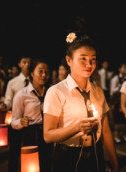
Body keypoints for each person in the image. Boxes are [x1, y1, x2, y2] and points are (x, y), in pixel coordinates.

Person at [43, 31, 119, 172]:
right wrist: (76, 128)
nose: (89, 64)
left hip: (96, 153)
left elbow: (106, 131)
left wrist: (115, 162)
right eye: (83, 59)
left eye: (93, 59)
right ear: (69, 60)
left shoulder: (98, 91)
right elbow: (48, 135)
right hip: (67, 156)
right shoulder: (56, 92)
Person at [11, 58, 53, 172]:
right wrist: (21, 122)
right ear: (31, 73)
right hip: (30, 135)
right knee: (31, 167)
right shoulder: (22, 95)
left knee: (47, 165)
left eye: (47, 72)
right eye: (40, 71)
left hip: (48, 134)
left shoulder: (51, 93)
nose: (44, 75)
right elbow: (13, 122)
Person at [0, 56, 31, 172]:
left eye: (29, 62)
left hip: (31, 120)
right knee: (14, 149)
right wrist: (5, 105)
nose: (27, 64)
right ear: (19, 64)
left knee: (29, 149)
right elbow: (8, 100)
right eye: (24, 62)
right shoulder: (13, 82)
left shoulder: (35, 80)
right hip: (17, 118)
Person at [110, 63, 126, 144]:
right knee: (117, 119)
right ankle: (116, 135)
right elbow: (112, 91)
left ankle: (123, 134)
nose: (125, 69)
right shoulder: (115, 78)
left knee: (124, 118)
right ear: (119, 69)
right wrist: (119, 87)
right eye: (124, 67)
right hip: (117, 102)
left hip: (125, 101)